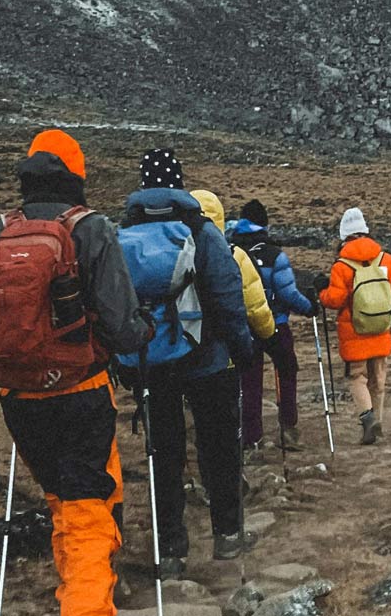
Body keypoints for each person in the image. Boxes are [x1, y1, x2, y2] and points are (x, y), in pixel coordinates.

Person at [0, 129, 153, 616]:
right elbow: (123, 328)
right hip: (81, 391)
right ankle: (86, 606)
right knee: (88, 509)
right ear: (77, 175)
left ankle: (76, 596)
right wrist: (143, 329)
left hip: (18, 397)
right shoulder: (92, 228)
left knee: (61, 503)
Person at [119, 149, 255, 577]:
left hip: (152, 361)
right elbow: (228, 294)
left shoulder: (124, 231)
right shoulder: (202, 230)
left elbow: (113, 301)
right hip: (206, 357)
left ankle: (171, 551)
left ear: (144, 183)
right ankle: (228, 535)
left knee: (163, 454)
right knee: (218, 447)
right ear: (179, 183)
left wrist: (123, 360)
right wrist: (242, 349)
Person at [189, 192, 277, 455]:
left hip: (182, 353)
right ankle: (234, 458)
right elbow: (254, 304)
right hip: (223, 355)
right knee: (223, 421)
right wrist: (267, 333)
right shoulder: (234, 255)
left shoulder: (173, 252)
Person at [313, 207, 391, 446]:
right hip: (381, 327)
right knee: (379, 377)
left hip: (354, 329)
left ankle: (368, 419)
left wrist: (322, 292)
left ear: (344, 235)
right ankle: (378, 422)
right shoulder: (385, 259)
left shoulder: (342, 265)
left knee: (358, 377)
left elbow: (335, 300)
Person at [232, 200, 318, 452]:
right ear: (264, 224)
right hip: (276, 324)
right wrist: (309, 307)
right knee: (286, 370)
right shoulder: (274, 254)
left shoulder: (232, 251)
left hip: (244, 328)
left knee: (249, 382)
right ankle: (288, 429)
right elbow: (288, 293)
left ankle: (251, 438)